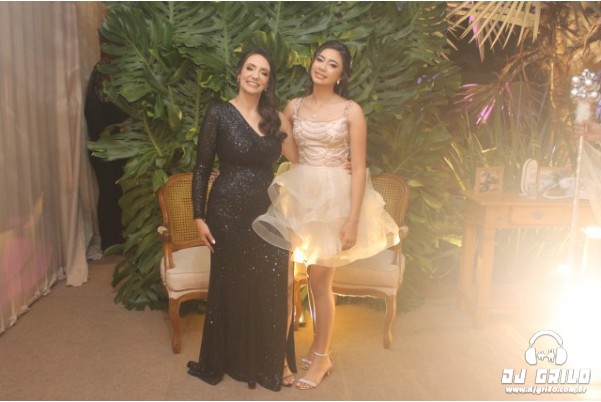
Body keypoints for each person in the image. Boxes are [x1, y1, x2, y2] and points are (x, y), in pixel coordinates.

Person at [252, 40, 400, 390]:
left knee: (319, 280)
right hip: (300, 195)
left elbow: (359, 168)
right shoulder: (294, 106)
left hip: (335, 199)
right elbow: (292, 155)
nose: (322, 67)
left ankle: (321, 356)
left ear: (341, 75)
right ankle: (279, 355)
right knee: (285, 280)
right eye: (319, 59)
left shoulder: (351, 111)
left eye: (332, 64)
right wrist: (279, 122)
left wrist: (352, 220)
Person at [186, 49, 298, 391]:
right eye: (250, 68)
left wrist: (337, 162)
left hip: (268, 211)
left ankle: (272, 360)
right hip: (226, 211)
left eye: (263, 72)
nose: (255, 75)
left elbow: (300, 161)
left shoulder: (276, 119)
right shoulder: (219, 112)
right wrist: (198, 216)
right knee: (232, 285)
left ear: (268, 81)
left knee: (272, 283)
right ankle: (234, 359)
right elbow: (202, 167)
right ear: (239, 73)